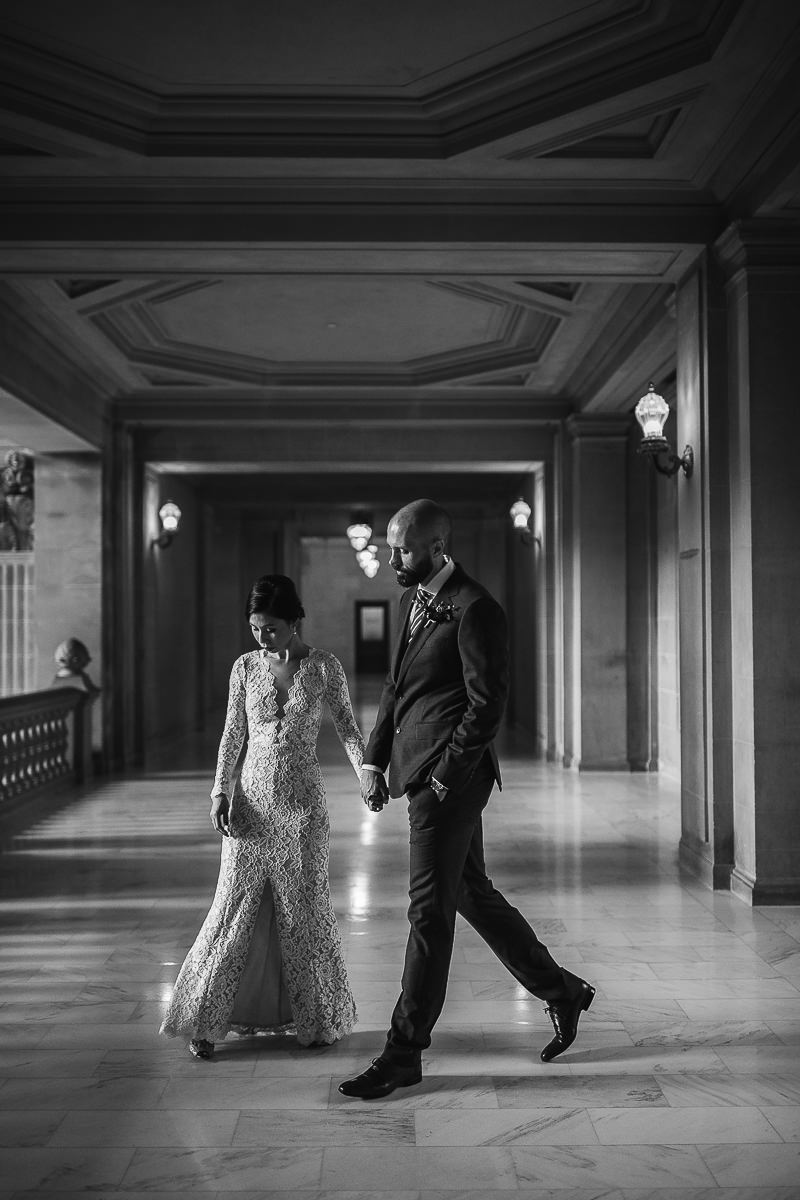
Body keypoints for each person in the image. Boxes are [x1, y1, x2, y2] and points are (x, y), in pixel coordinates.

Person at [339, 499, 595, 1099]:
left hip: (449, 782)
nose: (394, 557)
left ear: (435, 546)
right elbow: (397, 686)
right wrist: (373, 759)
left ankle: (403, 1052)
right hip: (418, 771)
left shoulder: (478, 609)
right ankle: (562, 991)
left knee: (428, 913)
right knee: (470, 894)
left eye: (402, 548)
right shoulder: (413, 600)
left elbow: (488, 705)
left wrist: (446, 777)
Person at [160, 574, 364, 1058]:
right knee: (232, 906)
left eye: (270, 628)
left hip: (303, 810)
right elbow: (233, 735)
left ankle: (313, 1020)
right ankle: (206, 1022)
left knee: (304, 911)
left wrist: (368, 775)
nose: (261, 636)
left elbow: (350, 730)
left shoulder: (324, 668)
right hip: (250, 809)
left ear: (295, 622)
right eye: (255, 627)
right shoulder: (245, 668)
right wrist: (219, 792)